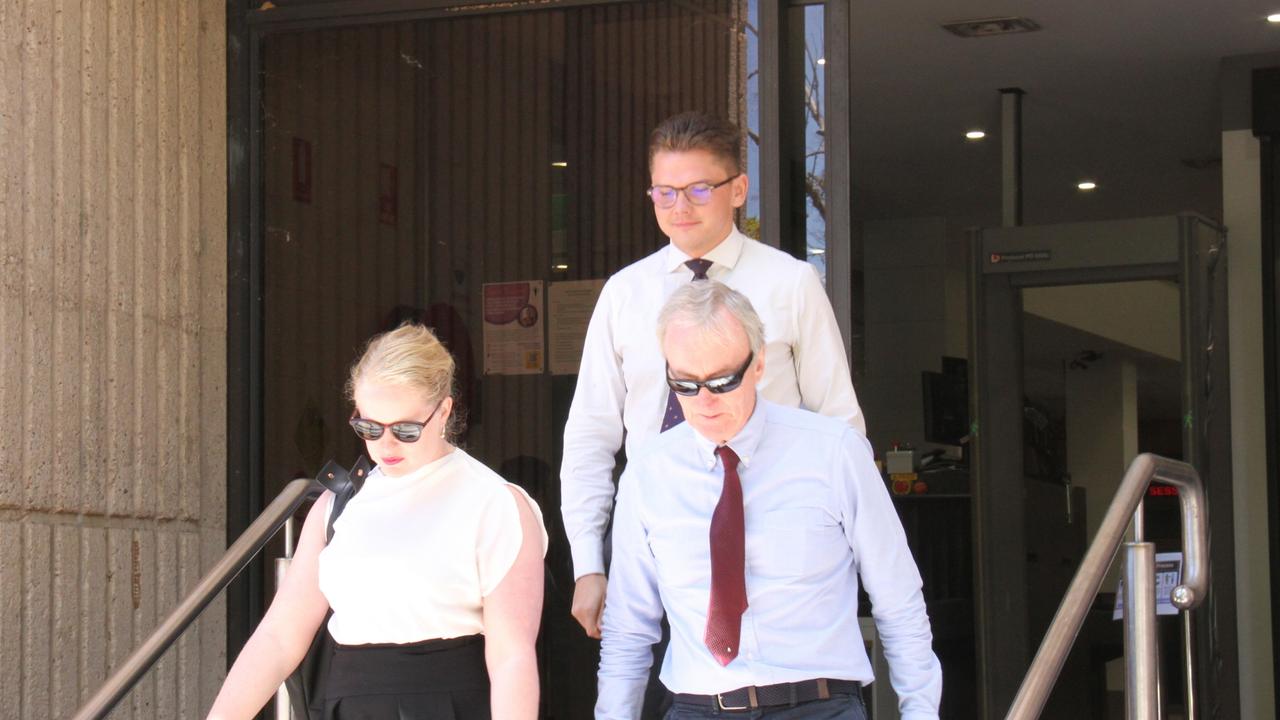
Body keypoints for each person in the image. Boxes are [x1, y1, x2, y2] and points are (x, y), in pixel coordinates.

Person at [562, 111, 865, 640]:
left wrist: (838, 544)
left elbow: (839, 423)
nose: (680, 207)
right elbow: (591, 435)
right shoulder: (624, 293)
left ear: (739, 189)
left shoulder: (790, 282)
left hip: (772, 533)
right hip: (651, 535)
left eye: (699, 189)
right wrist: (590, 562)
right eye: (664, 192)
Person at [596, 281, 941, 719]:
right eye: (684, 384)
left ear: (759, 364)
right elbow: (627, 629)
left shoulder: (833, 453)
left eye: (722, 382)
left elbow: (898, 600)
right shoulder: (649, 473)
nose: (704, 402)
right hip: (697, 705)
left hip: (818, 704)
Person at [207, 323, 547, 719]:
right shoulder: (339, 504)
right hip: (346, 703)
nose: (385, 445)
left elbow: (512, 656)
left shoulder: (494, 502)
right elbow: (280, 636)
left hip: (448, 702)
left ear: (444, 412)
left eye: (405, 429)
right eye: (369, 427)